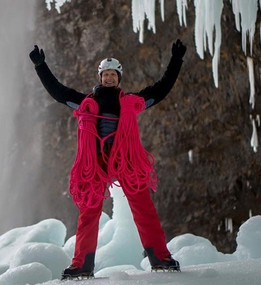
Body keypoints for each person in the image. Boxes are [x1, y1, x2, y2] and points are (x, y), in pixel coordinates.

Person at [29, 39, 186, 280]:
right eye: (106, 74)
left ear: (119, 78)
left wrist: (175, 61)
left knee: (144, 208)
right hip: (96, 162)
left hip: (126, 159)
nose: (110, 78)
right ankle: (82, 265)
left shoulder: (131, 102)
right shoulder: (86, 102)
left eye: (114, 74)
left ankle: (160, 258)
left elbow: (160, 90)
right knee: (89, 212)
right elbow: (58, 92)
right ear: (100, 77)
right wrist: (41, 66)